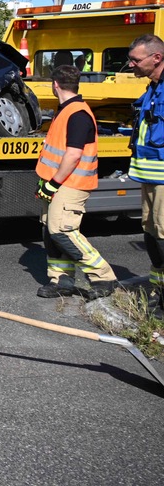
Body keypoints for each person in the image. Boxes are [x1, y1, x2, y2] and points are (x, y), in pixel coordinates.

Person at [33, 64, 120, 299]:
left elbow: (73, 155)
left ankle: (103, 277)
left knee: (62, 231)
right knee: (51, 231)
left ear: (55, 85)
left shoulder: (78, 114)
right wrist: (46, 182)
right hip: (58, 181)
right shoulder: (68, 110)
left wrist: (53, 184)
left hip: (70, 184)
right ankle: (61, 280)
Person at [127, 33, 164, 317]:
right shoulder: (152, 88)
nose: (130, 65)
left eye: (135, 60)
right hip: (149, 176)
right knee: (151, 233)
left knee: (162, 235)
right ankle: (158, 291)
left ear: (157, 58)